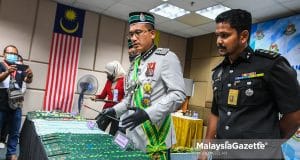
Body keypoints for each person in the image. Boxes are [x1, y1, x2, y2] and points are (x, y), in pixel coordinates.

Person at [199, 9, 300, 159]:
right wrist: (205, 149)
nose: (219, 41)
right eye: (217, 35)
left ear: (244, 36)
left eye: (225, 35)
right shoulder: (219, 72)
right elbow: (216, 112)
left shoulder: (270, 65)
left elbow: (295, 114)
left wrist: (270, 142)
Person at [97, 12, 186, 159]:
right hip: (133, 136)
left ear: (152, 34)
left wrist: (147, 113)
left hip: (157, 138)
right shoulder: (135, 64)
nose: (133, 38)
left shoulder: (167, 58)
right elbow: (129, 99)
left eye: (138, 32)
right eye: (131, 34)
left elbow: (178, 94)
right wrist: (113, 111)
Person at [0, 45, 33, 160]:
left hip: (16, 104)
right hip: (1, 104)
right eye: (10, 53)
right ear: (4, 54)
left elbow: (27, 80)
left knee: (14, 132)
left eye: (15, 54)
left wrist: (30, 75)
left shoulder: (20, 67)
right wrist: (7, 72)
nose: (12, 56)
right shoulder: (0, 65)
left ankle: (11, 154)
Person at [93, 61, 125, 136]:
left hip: (118, 111)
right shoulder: (109, 81)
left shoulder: (124, 81)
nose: (107, 75)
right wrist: (96, 97)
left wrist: (121, 101)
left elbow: (127, 97)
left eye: (108, 73)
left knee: (113, 133)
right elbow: (102, 96)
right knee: (97, 129)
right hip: (107, 110)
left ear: (115, 72)